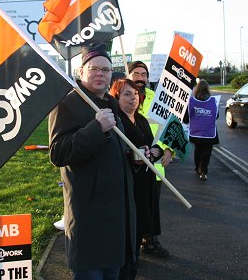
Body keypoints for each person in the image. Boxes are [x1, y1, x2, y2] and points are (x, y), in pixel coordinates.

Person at [48, 42, 136, 280]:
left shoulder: (111, 103)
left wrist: (135, 157)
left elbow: (115, 149)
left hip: (115, 213)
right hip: (89, 212)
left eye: (105, 70)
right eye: (94, 69)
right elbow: (58, 153)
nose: (100, 74)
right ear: (81, 72)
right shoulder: (66, 103)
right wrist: (96, 128)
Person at [109, 78, 164, 273]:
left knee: (141, 226)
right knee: (129, 231)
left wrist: (155, 153)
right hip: (130, 184)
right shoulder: (116, 123)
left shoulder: (141, 119)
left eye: (135, 94)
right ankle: (126, 266)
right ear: (116, 97)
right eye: (126, 94)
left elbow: (153, 146)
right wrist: (135, 158)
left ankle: (134, 260)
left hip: (146, 183)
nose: (133, 98)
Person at [127, 61, 171, 257]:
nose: (140, 78)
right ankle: (132, 247)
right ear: (129, 76)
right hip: (132, 167)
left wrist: (169, 150)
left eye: (143, 74)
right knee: (133, 208)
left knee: (152, 209)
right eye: (136, 73)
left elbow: (170, 128)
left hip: (155, 168)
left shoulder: (157, 99)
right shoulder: (122, 97)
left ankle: (149, 241)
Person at [184, 79, 219, 180]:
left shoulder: (191, 101)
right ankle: (203, 171)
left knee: (198, 150)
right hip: (209, 132)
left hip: (196, 131)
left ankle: (197, 168)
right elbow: (216, 116)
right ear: (207, 89)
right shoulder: (213, 101)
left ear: (197, 88)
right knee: (207, 152)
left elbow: (186, 117)